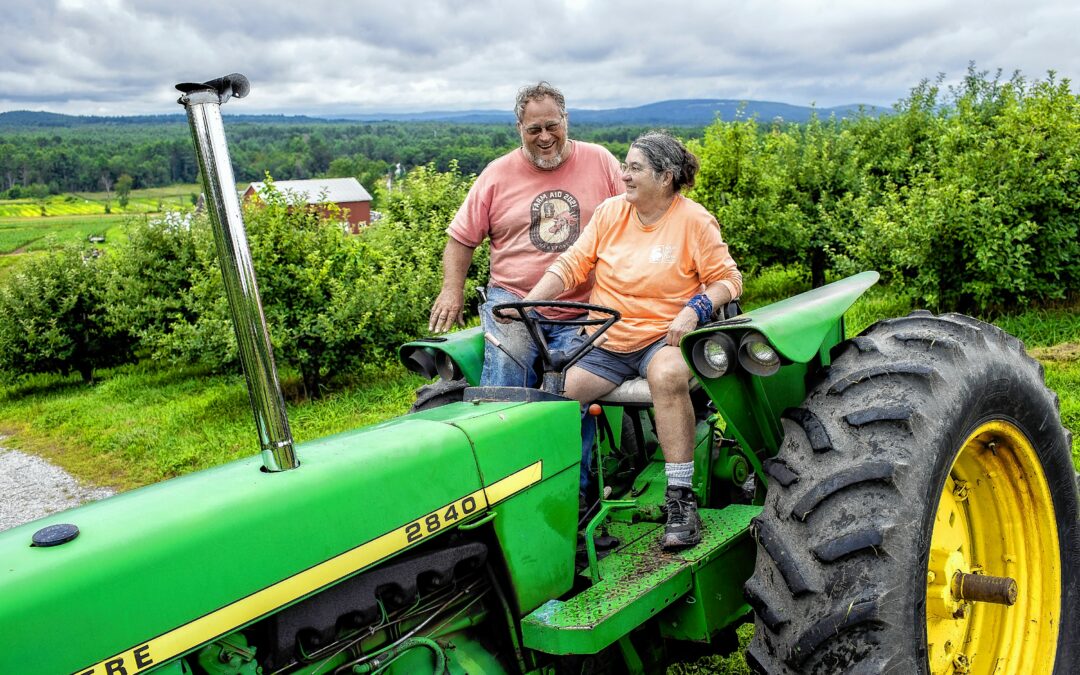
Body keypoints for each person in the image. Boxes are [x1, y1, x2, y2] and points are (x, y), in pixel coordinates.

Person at [514, 131, 742, 549]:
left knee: (669, 375)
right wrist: (529, 302)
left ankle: (680, 499)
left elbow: (729, 279)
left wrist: (695, 310)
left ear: (666, 176)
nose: (624, 175)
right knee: (561, 396)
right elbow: (570, 265)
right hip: (607, 340)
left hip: (663, 337)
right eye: (624, 166)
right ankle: (576, 508)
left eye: (635, 168)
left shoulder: (693, 221)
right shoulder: (610, 213)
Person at [428, 82, 624, 387]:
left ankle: (576, 435)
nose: (545, 137)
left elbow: (632, 221)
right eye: (534, 129)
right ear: (520, 128)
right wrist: (452, 290)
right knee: (508, 365)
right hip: (515, 300)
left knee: (574, 381)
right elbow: (461, 239)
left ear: (565, 120)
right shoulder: (496, 174)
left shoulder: (601, 161)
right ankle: (502, 430)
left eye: (551, 126)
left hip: (586, 302)